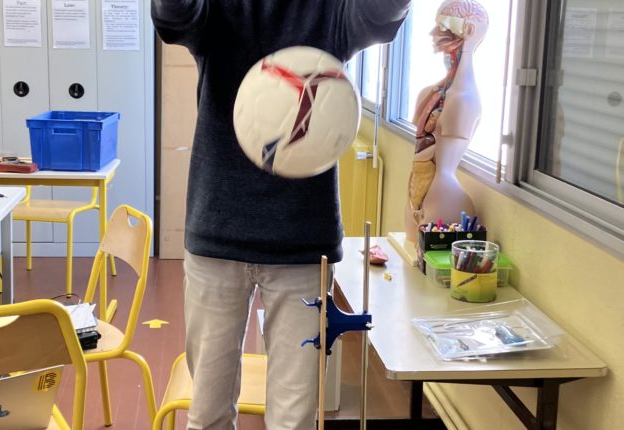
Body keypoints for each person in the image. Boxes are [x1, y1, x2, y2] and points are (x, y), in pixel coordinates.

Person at [152, 1, 410, 429]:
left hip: (304, 247)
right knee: (209, 412)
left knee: (294, 420)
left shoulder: (330, 12)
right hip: (218, 238)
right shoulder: (217, 10)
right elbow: (175, 17)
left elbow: (380, 18)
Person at [404, 0, 488, 242]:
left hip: (444, 195)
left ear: (468, 31)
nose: (433, 33)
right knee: (411, 257)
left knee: (427, 265)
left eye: (443, 26)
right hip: (417, 186)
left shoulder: (464, 99)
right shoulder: (431, 92)